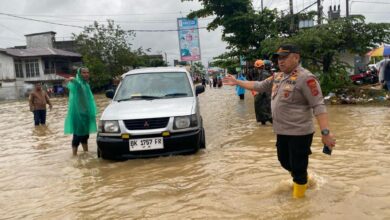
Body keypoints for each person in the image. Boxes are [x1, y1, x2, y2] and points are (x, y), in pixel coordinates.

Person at [223, 44, 336, 198]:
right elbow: (258, 85)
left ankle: (298, 202)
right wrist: (237, 82)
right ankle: (304, 179)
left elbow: (318, 105)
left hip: (300, 132)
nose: (280, 61)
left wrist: (326, 133)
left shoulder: (306, 78)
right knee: (283, 161)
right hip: (282, 131)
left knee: (298, 166)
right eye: (278, 58)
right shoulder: (278, 77)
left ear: (296, 57)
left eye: (284, 58)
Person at [64, 67, 97, 156]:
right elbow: (76, 84)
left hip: (86, 114)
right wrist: (73, 79)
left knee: (85, 135)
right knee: (77, 136)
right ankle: (74, 156)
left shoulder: (86, 84)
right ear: (79, 74)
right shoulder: (78, 84)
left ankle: (86, 153)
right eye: (84, 72)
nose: (86, 74)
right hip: (77, 114)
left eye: (87, 72)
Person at [253, 59, 272, 125]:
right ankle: (263, 125)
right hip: (264, 95)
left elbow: (263, 86)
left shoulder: (264, 74)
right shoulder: (262, 73)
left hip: (265, 96)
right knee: (262, 111)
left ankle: (275, 125)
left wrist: (258, 93)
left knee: (267, 113)